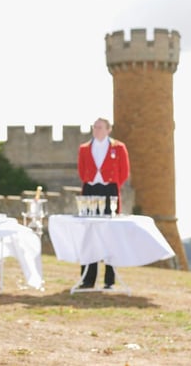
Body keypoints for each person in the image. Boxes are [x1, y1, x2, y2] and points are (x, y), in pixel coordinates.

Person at [76, 117, 130, 289]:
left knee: (110, 235)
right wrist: (90, 180)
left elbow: (124, 171)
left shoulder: (119, 147)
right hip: (90, 191)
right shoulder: (84, 148)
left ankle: (109, 280)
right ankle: (87, 279)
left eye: (100, 127)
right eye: (95, 127)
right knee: (89, 235)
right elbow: (81, 169)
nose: (97, 130)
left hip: (109, 191)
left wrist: (111, 184)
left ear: (108, 129)